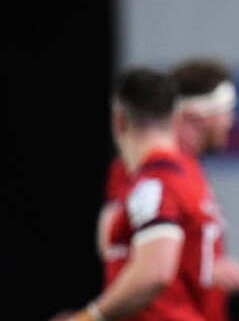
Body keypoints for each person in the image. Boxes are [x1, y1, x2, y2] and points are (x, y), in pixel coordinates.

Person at [52, 67, 228, 320]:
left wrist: (88, 318)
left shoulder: (155, 183)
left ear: (119, 121)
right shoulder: (187, 174)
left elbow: (154, 272)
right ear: (173, 117)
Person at [97, 58, 239, 321]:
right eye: (226, 110)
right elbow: (117, 243)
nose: (231, 121)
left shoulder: (186, 170)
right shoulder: (149, 170)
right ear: (194, 115)